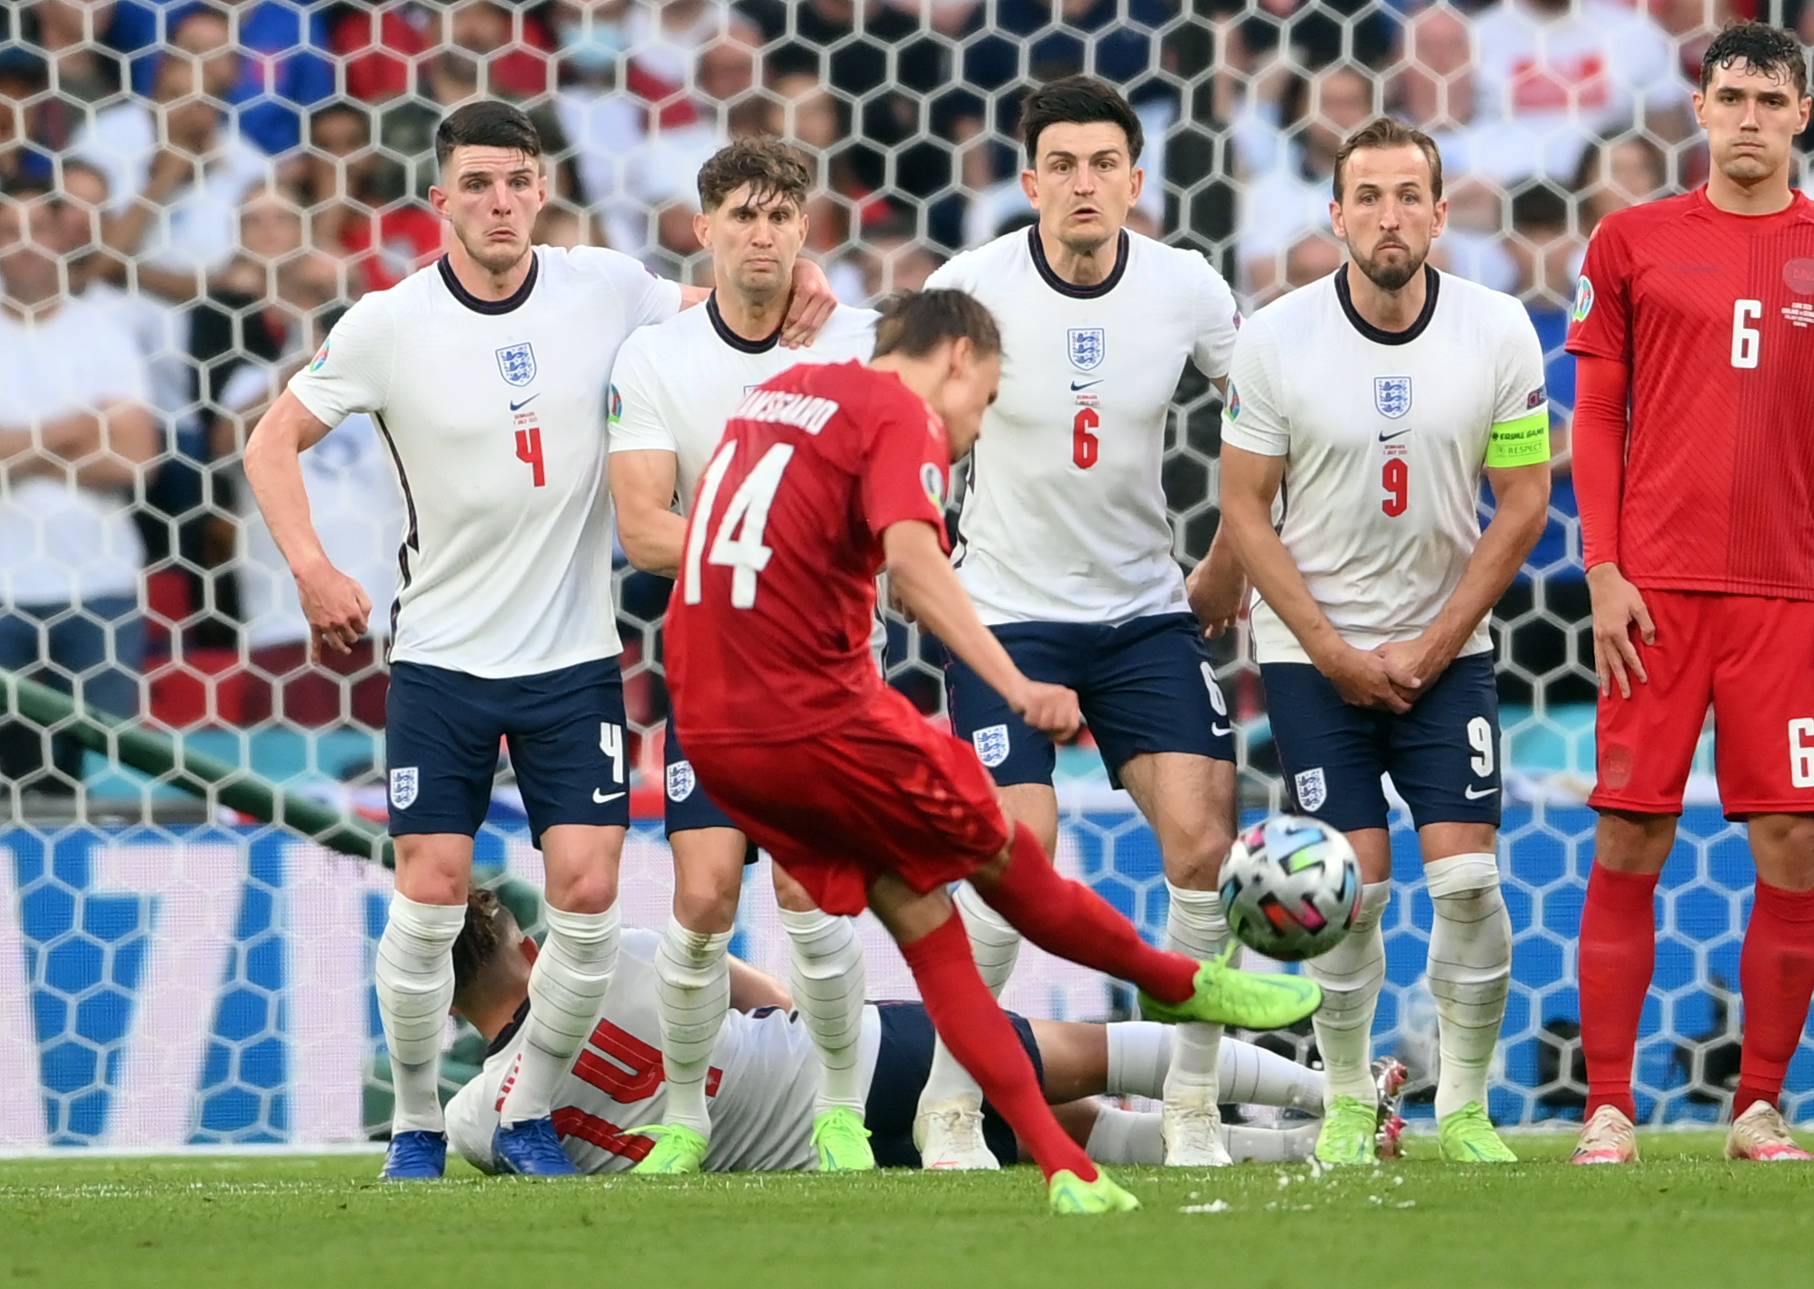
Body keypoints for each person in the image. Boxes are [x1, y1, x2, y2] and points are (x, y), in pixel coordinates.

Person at [244, 101, 833, 1181]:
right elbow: (271, 437)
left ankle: (527, 1105)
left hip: (570, 656)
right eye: (477, 184)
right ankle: (417, 1121)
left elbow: (721, 312)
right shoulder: (389, 323)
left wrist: (797, 283)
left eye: (517, 180)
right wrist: (314, 566)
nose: (501, 201)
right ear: (441, 201)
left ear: (541, 188)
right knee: (429, 887)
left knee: (589, 891)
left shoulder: (603, 285)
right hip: (441, 654)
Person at [664, 288, 1323, 1216]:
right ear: (960, 358)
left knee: (928, 920)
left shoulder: (779, 392)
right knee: (1018, 872)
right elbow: (916, 558)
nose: (976, 425)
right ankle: (1178, 982)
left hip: (715, 733)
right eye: (987, 397)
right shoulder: (899, 411)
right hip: (816, 723)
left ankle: (1060, 1161)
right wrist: (1015, 684)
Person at [1202, 116, 1551, 1166]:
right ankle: (1349, 1097)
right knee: (1345, 895)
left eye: (1408, 196)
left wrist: (1441, 641)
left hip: (1450, 654)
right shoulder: (1272, 337)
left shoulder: (1497, 329)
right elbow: (1244, 509)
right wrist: (1330, 648)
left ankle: (1464, 1105)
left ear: (1440, 214)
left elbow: (1524, 501)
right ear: (1334, 211)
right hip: (1314, 659)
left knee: (1467, 885)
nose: (1388, 216)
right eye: (1368, 196)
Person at [914, 75, 1248, 1170]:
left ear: (1135, 179)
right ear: (1027, 181)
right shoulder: (970, 288)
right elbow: (904, 428)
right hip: (1006, 613)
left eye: (1102, 163)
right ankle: (953, 1102)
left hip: (1143, 610)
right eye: (1060, 165)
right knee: (1020, 851)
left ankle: (1193, 1104)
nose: (1082, 184)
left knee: (1203, 845)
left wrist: (1223, 566)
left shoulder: (1187, 288)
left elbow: (1267, 430)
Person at [606, 138, 882, 1173]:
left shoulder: (856, 344)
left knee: (815, 896)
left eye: (779, 218)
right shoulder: (656, 358)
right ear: (702, 230)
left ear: (805, 231)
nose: (760, 235)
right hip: (716, 667)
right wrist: (783, 537)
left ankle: (839, 1112)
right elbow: (641, 525)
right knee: (702, 899)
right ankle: (682, 1115)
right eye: (741, 217)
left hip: (831, 666)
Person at [1566, 21, 1814, 1166]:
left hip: (1790, 598)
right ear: (1700, 110)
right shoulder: (1631, 240)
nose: (1750, 114)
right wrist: (1604, 569)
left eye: (1771, 96)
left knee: (1793, 844)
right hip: (1652, 594)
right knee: (1629, 833)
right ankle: (1605, 1105)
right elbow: (1598, 415)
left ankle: (1755, 1103)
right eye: (1732, 95)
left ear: (1799, 114)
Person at [443, 887, 1344, 1175]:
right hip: (851, 1064)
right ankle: (1328, 1097)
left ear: (443, 1007)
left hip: (808, 1162)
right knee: (1074, 1058)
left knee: (1065, 1134)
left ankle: (1302, 1144)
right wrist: (820, 1019)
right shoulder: (612, 953)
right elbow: (745, 987)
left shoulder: (477, 1118)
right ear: (526, 944)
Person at [0, 182, 158, 790]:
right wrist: (79, 426)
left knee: (109, 781)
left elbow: (135, 460)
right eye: (8, 228)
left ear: (63, 235)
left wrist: (19, 447)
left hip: (99, 587)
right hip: (6, 589)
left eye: (37, 225)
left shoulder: (105, 329)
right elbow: (109, 444)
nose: (24, 243)